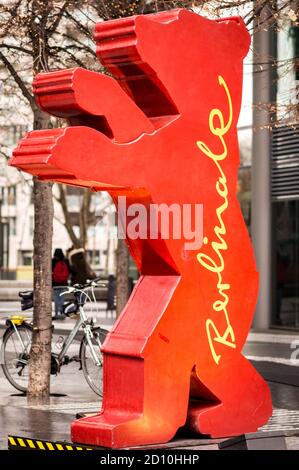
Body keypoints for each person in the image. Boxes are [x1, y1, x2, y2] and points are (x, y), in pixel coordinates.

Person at [52, 248, 70, 320]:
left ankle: (56, 313)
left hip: (56, 283)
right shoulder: (65, 261)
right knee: (62, 298)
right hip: (64, 283)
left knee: (56, 298)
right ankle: (62, 313)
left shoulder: (53, 261)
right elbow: (69, 271)